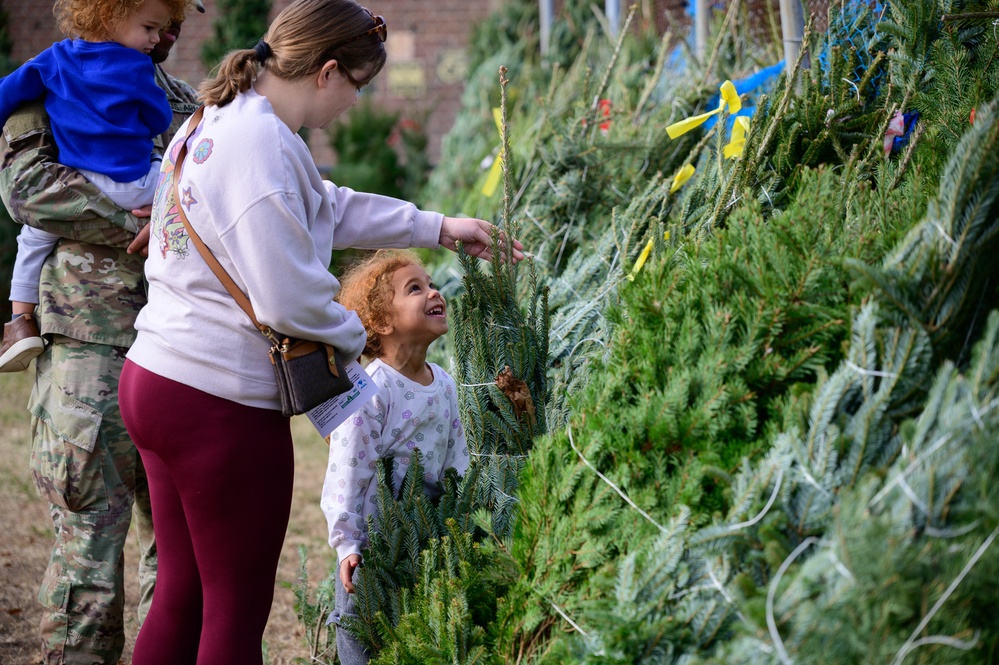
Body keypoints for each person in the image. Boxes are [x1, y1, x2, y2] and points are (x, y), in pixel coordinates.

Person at [0, 2, 205, 663]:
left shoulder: (185, 102)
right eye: (154, 16)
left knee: (182, 555)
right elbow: (29, 188)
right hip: (89, 350)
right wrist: (139, 226)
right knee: (88, 552)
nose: (168, 32)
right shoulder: (51, 79)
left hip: (184, 345)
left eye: (174, 18)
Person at [0, 0, 190, 374]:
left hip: (80, 179)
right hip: (136, 188)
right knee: (168, 170)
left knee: (32, 239)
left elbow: (8, 91)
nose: (157, 38)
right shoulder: (138, 67)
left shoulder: (54, 59)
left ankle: (19, 322)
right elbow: (158, 116)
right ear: (110, 17)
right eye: (150, 28)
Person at [320, 250, 470, 663]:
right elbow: (347, 470)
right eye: (415, 288)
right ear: (383, 323)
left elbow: (457, 458)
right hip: (371, 542)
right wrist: (348, 542)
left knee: (407, 629)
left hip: (423, 537)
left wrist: (460, 519)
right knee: (359, 626)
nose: (434, 292)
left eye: (431, 283)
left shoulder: (445, 384)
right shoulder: (372, 390)